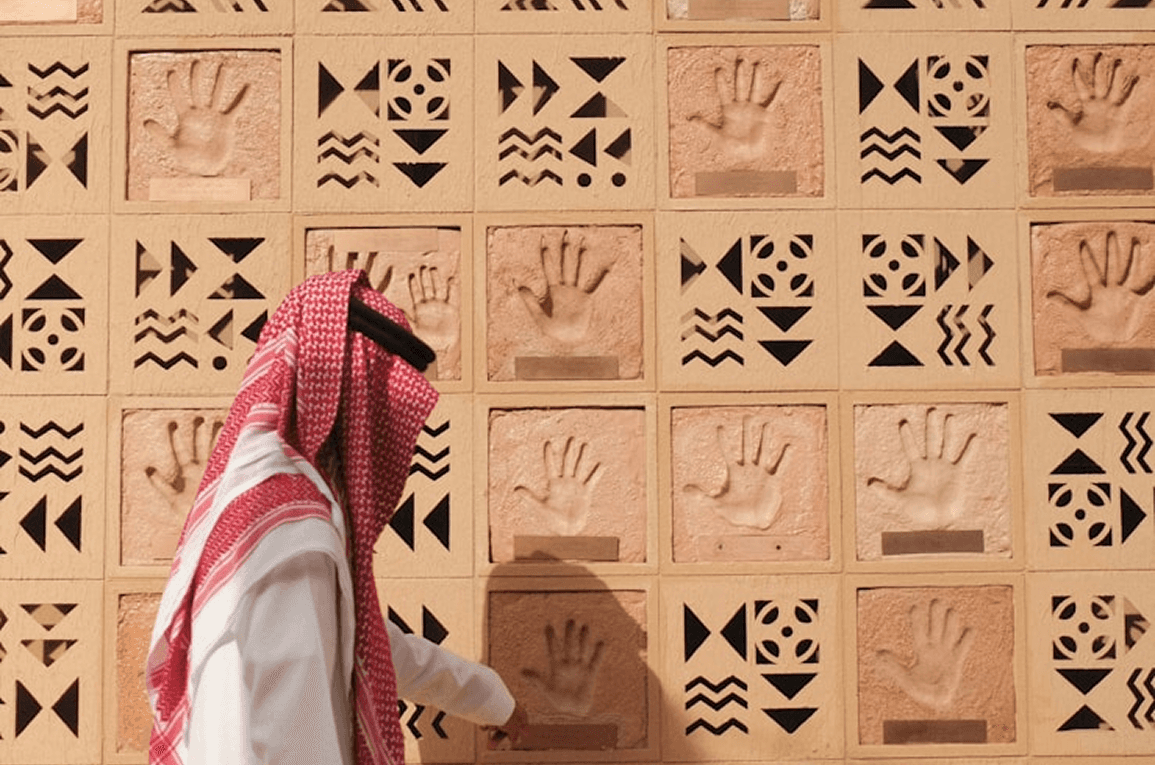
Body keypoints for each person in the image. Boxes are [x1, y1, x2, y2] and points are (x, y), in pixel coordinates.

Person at [145, 270, 527, 764]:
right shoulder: (292, 527)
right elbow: (296, 729)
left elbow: (358, 642)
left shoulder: (258, 500)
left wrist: (490, 699)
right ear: (354, 394)